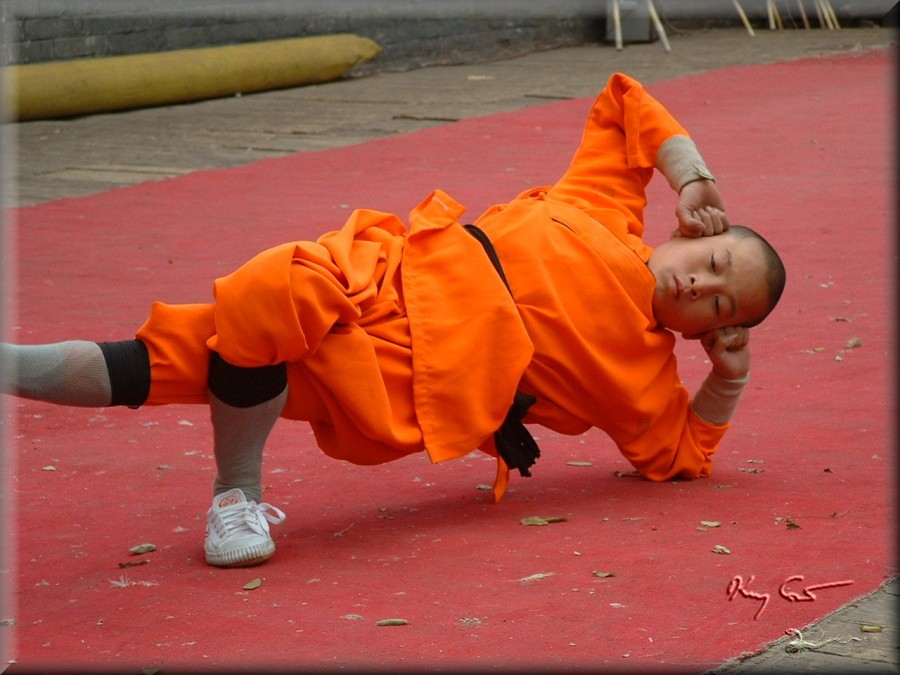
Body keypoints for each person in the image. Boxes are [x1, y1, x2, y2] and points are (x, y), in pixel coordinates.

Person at [1, 73, 785, 568]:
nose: (701, 287)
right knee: (266, 290)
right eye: (715, 262)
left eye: (721, 307)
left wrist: (729, 376)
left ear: (704, 331)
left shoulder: (642, 382)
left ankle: (230, 506)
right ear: (696, 231)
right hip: (383, 275)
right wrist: (692, 173)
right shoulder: (604, 203)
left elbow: (683, 454)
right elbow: (625, 102)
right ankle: (233, 482)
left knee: (178, 362)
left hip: (404, 379)